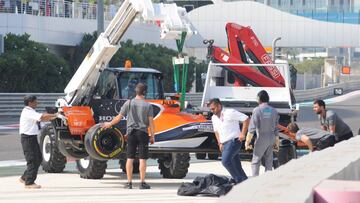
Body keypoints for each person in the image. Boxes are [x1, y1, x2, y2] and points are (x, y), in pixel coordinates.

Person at [103, 83, 155, 189]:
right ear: (145, 92)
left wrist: (109, 124)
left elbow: (119, 117)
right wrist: (152, 136)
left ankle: (129, 183)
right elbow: (151, 122)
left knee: (130, 158)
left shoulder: (129, 103)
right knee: (142, 159)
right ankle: (142, 183)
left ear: (136, 91)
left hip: (131, 133)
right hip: (143, 133)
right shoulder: (148, 105)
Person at [19, 95, 57, 189]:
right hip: (27, 138)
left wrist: (53, 116)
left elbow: (43, 118)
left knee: (39, 158)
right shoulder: (27, 111)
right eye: (35, 102)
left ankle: (25, 177)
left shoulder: (31, 111)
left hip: (32, 137)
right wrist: (56, 115)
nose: (37, 103)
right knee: (32, 160)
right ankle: (29, 182)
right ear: (30, 103)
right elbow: (42, 117)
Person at [209, 98, 249, 184]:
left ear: (219, 106)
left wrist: (243, 134)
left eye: (213, 108)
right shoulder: (213, 118)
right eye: (211, 109)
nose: (212, 111)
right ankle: (245, 182)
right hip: (224, 144)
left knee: (225, 161)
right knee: (236, 165)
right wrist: (219, 143)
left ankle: (238, 181)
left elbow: (246, 119)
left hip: (234, 141)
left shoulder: (230, 112)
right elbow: (216, 131)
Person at [245, 90, 279, 177]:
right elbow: (276, 128)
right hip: (271, 138)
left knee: (256, 161)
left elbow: (252, 127)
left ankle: (255, 180)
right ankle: (268, 179)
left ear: (259, 99)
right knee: (269, 160)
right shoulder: (274, 110)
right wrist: (277, 142)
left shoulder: (257, 110)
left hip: (261, 138)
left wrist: (247, 141)